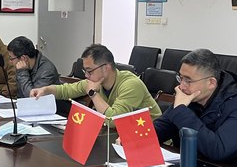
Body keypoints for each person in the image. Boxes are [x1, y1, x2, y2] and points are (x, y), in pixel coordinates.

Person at [153, 48, 237, 163]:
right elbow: (157, 131)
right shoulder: (190, 97)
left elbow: (217, 150)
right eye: (180, 78)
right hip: (188, 165)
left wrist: (181, 111)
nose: (181, 86)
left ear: (211, 83)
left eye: (188, 80)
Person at [31, 44, 161, 123]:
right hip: (122, 135)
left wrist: (93, 94)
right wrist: (45, 90)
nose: (86, 76)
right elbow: (66, 90)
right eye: (85, 71)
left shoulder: (131, 85)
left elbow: (113, 120)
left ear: (106, 68)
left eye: (90, 71)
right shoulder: (95, 81)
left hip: (155, 140)